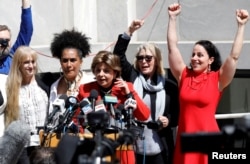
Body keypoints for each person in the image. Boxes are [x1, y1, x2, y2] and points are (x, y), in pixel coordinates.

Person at [167, 3, 249, 164]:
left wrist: (241, 26)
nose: (194, 58)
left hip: (209, 140)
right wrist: (172, 18)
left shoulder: (218, 79)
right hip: (186, 140)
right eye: (193, 54)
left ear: (210, 60)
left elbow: (233, 57)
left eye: (200, 55)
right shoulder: (184, 75)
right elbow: (172, 48)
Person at [113, 20, 179, 164]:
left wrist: (168, 120)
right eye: (140, 58)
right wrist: (129, 31)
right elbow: (118, 55)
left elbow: (176, 116)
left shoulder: (169, 86)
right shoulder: (132, 77)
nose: (144, 62)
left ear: (157, 60)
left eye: (148, 58)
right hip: (135, 146)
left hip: (160, 146)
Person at [77, 50, 151, 164]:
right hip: (94, 148)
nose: (101, 74)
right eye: (98, 70)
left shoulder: (125, 89)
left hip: (121, 149)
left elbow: (144, 115)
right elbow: (77, 119)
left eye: (106, 71)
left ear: (115, 73)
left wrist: (128, 93)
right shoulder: (85, 90)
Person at [5, 46, 49, 164]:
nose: (31, 66)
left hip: (43, 144)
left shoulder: (44, 84)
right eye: (26, 62)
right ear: (18, 64)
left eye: (33, 62)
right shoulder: (9, 87)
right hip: (21, 147)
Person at [47, 29, 95, 130]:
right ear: (60, 62)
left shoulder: (91, 82)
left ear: (81, 61)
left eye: (73, 60)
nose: (69, 65)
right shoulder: (54, 86)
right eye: (65, 60)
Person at [0, 0, 33, 75]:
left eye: (6, 40)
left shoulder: (14, 57)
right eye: (0, 40)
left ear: (10, 42)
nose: (3, 43)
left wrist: (25, 2)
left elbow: (26, 31)